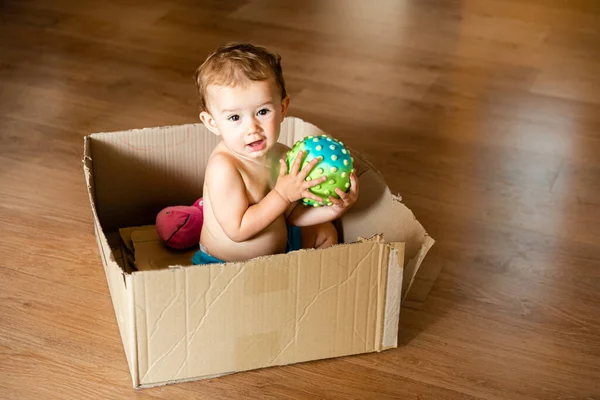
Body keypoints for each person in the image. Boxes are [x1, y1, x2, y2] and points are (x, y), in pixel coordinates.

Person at [192, 43, 359, 265]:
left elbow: (291, 216)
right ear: (212, 122)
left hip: (281, 251)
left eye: (262, 112)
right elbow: (238, 231)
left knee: (325, 232)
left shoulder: (284, 155)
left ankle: (312, 285)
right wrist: (282, 195)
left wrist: (334, 209)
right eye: (235, 118)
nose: (252, 128)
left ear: (282, 108)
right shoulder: (224, 168)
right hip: (225, 266)